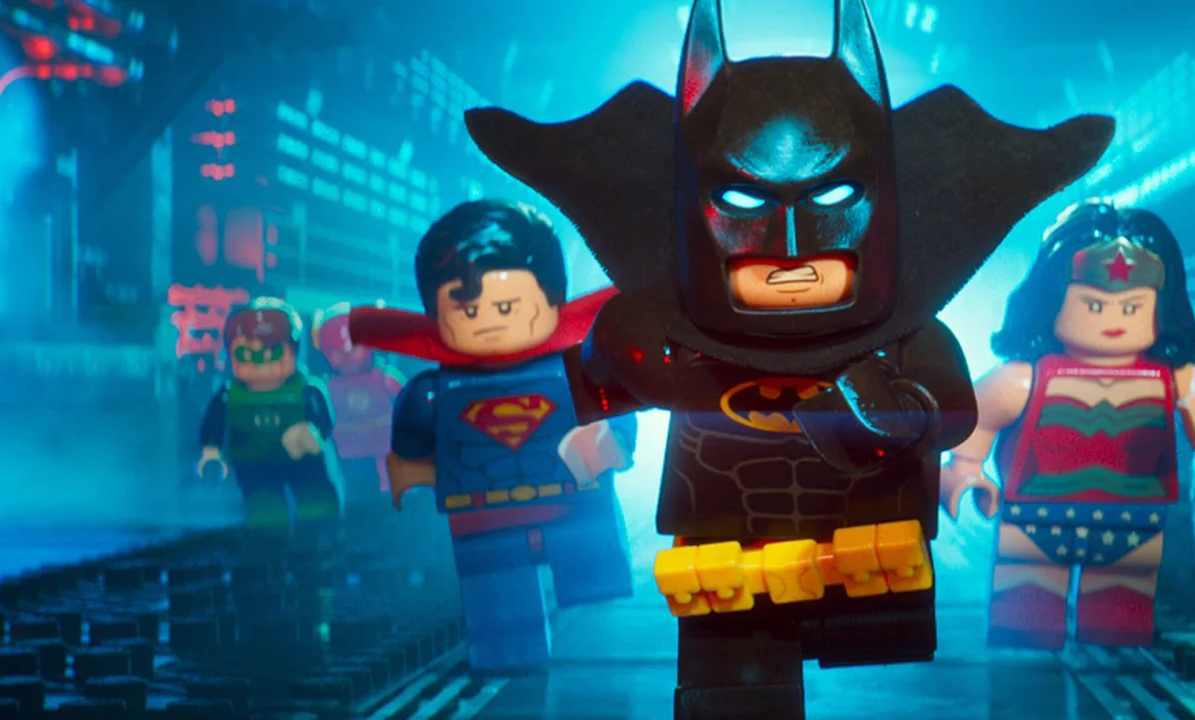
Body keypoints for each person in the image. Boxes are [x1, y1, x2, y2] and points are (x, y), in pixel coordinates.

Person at [462, 0, 1114, 715]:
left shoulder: (901, 336)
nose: (792, 247)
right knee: (734, 683)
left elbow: (952, 404)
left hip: (870, 543)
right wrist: (614, 391)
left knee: (874, 632)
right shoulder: (663, 329)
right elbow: (603, 376)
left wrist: (902, 412)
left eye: (831, 195)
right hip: (727, 559)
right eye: (744, 201)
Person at [349, 199, 638, 674]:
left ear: (552, 299)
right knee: (499, 600)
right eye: (466, 310)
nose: (487, 322)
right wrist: (412, 465)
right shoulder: (436, 391)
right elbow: (415, 427)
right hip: (482, 512)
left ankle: (595, 630)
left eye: (505, 306)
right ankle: (516, 656)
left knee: (596, 590)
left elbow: (620, 402)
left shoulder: (578, 370)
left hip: (573, 499)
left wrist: (612, 440)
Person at [942, 201, 1195, 649]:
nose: (1114, 320)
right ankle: (1030, 666)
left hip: (1132, 519)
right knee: (1026, 619)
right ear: (1051, 301)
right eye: (1094, 304)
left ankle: (1110, 650)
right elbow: (977, 416)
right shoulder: (1024, 378)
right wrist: (964, 467)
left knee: (1119, 616)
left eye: (1132, 306)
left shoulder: (1175, 379)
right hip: (1035, 518)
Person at [197, 297, 341, 536]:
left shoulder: (306, 390)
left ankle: (320, 539)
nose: (260, 363)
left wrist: (314, 434)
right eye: (245, 354)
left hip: (301, 457)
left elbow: (323, 418)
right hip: (253, 462)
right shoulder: (229, 395)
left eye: (273, 352)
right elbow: (214, 423)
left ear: (294, 350)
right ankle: (269, 544)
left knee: (315, 501)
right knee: (264, 510)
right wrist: (211, 452)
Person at [313, 303, 404, 517]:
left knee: (392, 503)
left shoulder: (385, 379)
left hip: (387, 458)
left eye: (353, 348)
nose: (346, 356)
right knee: (355, 506)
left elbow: (411, 406)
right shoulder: (327, 388)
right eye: (336, 352)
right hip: (347, 461)